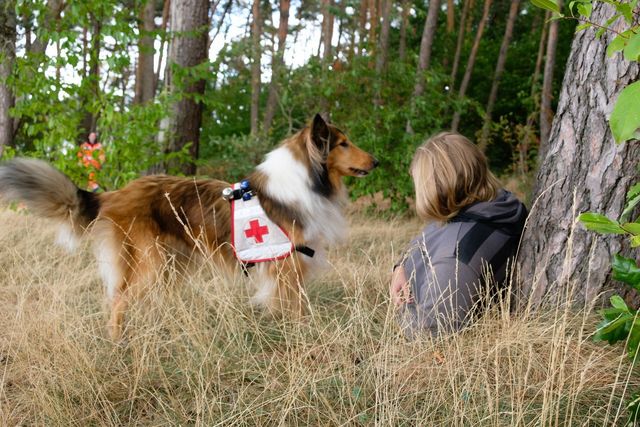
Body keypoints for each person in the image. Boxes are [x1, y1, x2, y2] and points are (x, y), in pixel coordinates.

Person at [391, 132, 527, 337]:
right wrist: (401, 265)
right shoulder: (493, 207)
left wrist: (401, 316)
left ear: (437, 185)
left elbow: (431, 335)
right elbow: (431, 234)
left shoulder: (454, 262)